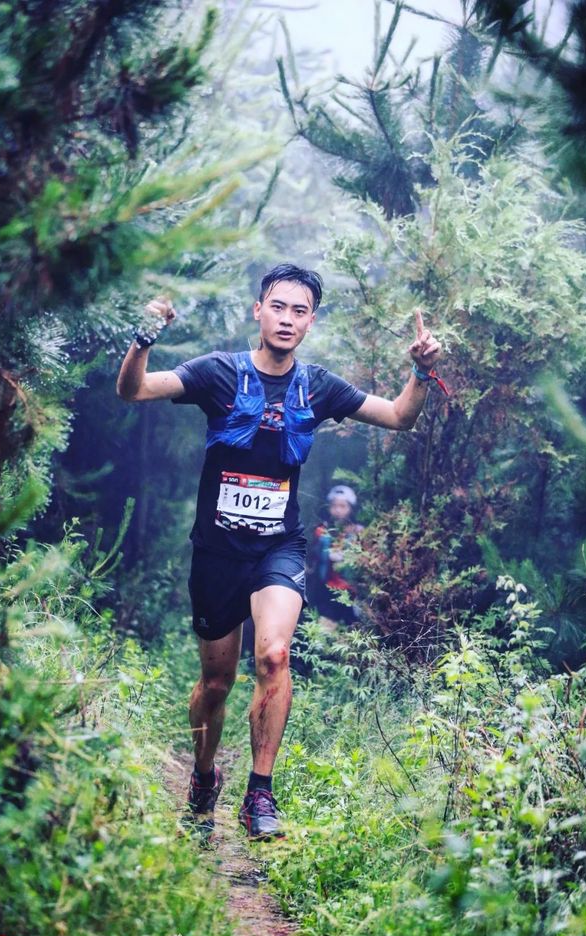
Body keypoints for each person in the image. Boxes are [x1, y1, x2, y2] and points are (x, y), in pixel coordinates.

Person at [116, 262, 444, 840]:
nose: (287, 319)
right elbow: (134, 389)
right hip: (217, 551)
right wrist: (145, 336)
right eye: (278, 306)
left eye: (299, 311)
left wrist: (421, 370)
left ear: (310, 322)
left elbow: (398, 417)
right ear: (259, 311)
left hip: (279, 547)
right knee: (215, 684)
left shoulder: (318, 387)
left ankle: (259, 795)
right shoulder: (219, 374)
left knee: (272, 656)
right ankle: (202, 776)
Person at [309, 484, 363, 629]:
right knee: (326, 629)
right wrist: (327, 554)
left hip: (349, 591)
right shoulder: (321, 531)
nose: (338, 510)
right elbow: (315, 555)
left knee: (352, 628)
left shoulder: (358, 532)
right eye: (334, 505)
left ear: (351, 508)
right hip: (326, 589)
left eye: (343, 506)